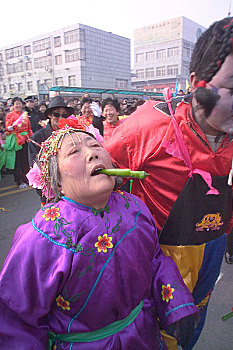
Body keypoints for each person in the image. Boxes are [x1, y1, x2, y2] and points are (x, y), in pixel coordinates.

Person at [0, 121, 199, 349]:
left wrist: (177, 304)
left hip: (144, 334)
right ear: (58, 183)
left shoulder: (133, 207)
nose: (92, 154)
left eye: (95, 145)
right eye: (74, 151)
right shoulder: (42, 235)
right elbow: (17, 316)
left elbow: (155, 260)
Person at [105, 17, 233, 349]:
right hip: (158, 256)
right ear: (197, 82)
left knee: (192, 324)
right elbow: (92, 182)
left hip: (213, 247)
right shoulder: (148, 126)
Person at [28, 95, 74, 205]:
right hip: (50, 194)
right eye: (56, 114)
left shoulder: (72, 135)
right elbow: (35, 169)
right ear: (49, 115)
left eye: (64, 115)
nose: (60, 118)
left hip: (71, 190)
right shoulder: (37, 139)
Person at [4, 97, 33, 189]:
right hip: (16, 141)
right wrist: (9, 128)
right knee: (17, 161)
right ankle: (19, 181)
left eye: (20, 103)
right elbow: (7, 128)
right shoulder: (9, 115)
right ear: (13, 105)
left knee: (25, 161)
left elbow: (29, 128)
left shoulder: (25, 115)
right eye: (16, 103)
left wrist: (31, 137)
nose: (18, 105)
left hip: (25, 139)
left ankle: (26, 179)